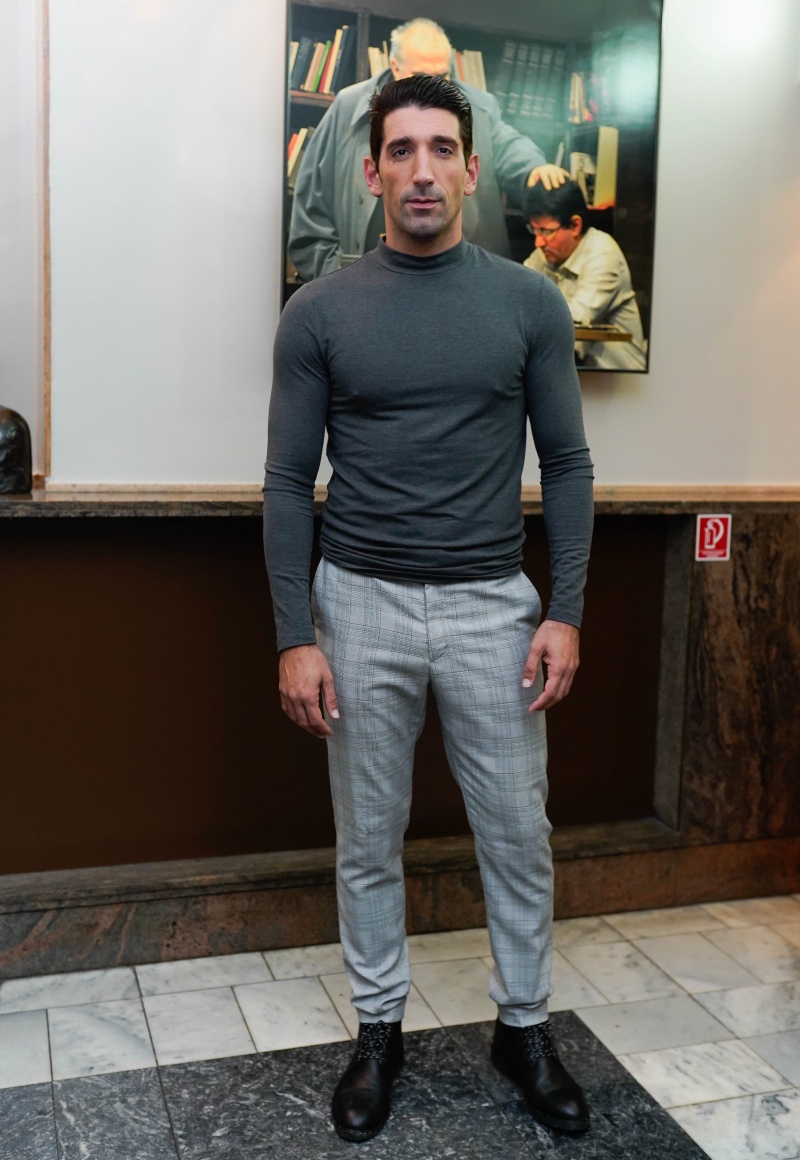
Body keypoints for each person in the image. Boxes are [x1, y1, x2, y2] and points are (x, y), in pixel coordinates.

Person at [264, 74, 594, 1143]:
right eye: (400, 151)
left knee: (518, 835)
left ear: (469, 167)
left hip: (492, 607)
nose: (421, 171)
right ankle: (377, 1033)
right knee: (368, 838)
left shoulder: (527, 303)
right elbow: (286, 482)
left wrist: (564, 611)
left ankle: (524, 1030)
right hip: (356, 604)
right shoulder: (320, 310)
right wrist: (295, 636)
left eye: (440, 149)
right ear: (371, 172)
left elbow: (569, 464)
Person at [288, 16, 566, 281]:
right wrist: (340, 283)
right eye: (421, 75)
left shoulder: (478, 106)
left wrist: (534, 166)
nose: (434, 86)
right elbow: (310, 213)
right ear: (395, 67)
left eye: (443, 75)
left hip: (465, 282)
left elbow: (508, 144)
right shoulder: (349, 107)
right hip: (367, 286)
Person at [523, 179, 647, 371]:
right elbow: (516, 300)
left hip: (620, 380)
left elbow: (576, 318)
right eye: (535, 230)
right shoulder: (543, 254)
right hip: (574, 375)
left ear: (575, 225)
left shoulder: (603, 253)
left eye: (546, 231)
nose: (538, 242)